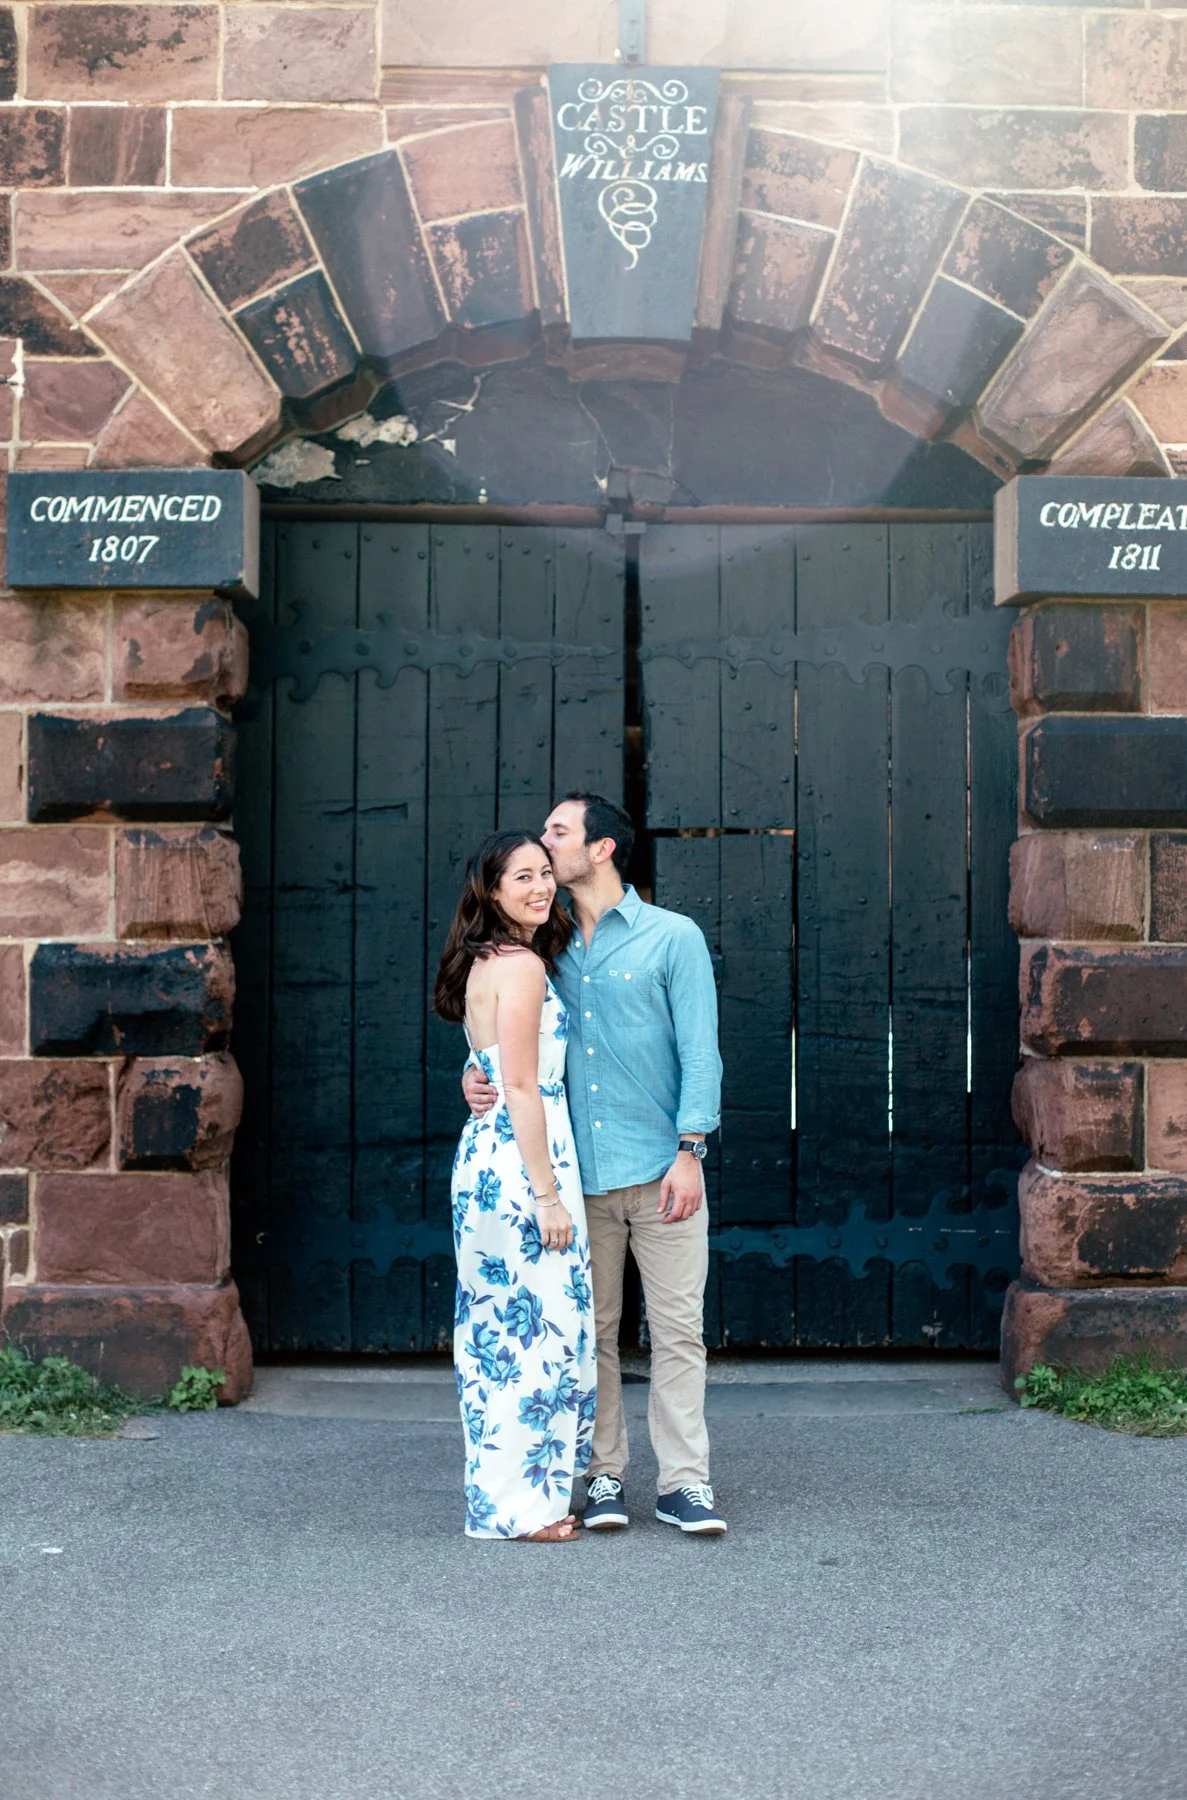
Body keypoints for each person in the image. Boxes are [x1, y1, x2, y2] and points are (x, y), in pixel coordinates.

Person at [464, 794, 726, 1535]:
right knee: (594, 1335)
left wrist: (690, 1150)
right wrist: (472, 1073)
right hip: (574, 1183)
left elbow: (699, 1051)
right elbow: (511, 1048)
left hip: (661, 1169)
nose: (545, 847)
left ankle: (683, 1484)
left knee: (677, 1333)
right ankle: (604, 1476)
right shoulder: (538, 950)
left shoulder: (672, 938)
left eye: (558, 833)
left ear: (601, 848)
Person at [434, 830, 596, 1542]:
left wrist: (474, 1079)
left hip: (484, 1163)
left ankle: (506, 1503)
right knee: (535, 1335)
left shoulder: (483, 962)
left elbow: (489, 1067)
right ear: (491, 892)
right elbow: (523, 1084)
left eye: (544, 874)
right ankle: (524, 1513)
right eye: (521, 877)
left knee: (497, 1335)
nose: (539, 887)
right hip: (524, 1166)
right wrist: (548, 1195)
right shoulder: (523, 966)